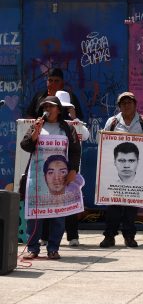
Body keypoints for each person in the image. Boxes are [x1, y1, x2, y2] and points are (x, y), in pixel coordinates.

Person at [21, 96, 81, 260]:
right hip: (37, 178)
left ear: (59, 110)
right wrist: (35, 133)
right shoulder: (36, 125)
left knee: (57, 215)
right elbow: (25, 145)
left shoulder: (68, 128)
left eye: (51, 105)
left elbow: (75, 150)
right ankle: (33, 248)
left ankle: (53, 248)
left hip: (59, 179)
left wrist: (73, 170)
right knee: (34, 215)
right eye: (45, 105)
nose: (47, 108)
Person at [99, 91, 143, 248]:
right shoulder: (112, 122)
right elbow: (103, 144)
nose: (126, 105)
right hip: (115, 173)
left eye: (129, 102)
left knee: (131, 206)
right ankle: (109, 236)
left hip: (136, 173)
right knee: (113, 207)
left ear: (135, 104)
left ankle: (129, 237)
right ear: (119, 106)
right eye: (123, 103)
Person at [56, 90, 90, 247]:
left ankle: (73, 236)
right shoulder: (48, 122)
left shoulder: (74, 124)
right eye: (60, 107)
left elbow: (86, 135)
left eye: (65, 108)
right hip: (52, 170)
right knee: (51, 202)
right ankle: (46, 236)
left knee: (71, 204)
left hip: (71, 170)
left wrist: (74, 117)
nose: (62, 111)